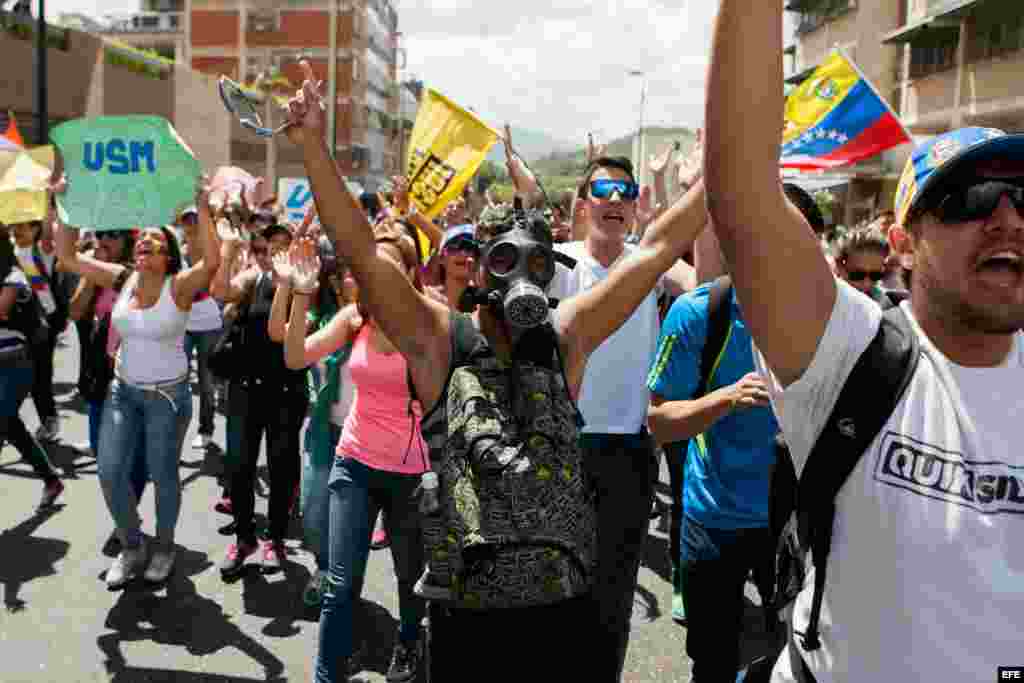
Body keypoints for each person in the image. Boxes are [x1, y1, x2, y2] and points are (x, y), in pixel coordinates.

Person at [281, 59, 711, 682]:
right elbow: (360, 252)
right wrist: (314, 149)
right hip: (468, 619)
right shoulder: (438, 340)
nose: (521, 276)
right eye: (504, 259)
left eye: (537, 263)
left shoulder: (566, 336)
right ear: (479, 268)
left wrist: (727, 162)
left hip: (560, 611)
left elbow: (656, 249)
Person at [704, 2, 1024, 680]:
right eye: (970, 197)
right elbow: (745, 197)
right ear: (903, 246)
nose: (1006, 219)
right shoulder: (851, 349)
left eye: (1023, 200)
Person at [553, 155, 695, 681]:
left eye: (625, 191)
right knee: (554, 586)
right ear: (583, 202)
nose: (614, 200)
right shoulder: (556, 261)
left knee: (611, 596)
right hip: (560, 446)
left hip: (630, 453)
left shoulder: (651, 264)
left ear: (636, 206)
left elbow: (704, 280)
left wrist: (687, 187)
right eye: (603, 190)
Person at [283, 225, 429, 682]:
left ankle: (408, 640)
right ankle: (328, 675)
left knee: (411, 578)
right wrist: (302, 292)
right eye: (371, 263)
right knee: (340, 586)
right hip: (356, 462)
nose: (377, 272)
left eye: (390, 263)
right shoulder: (353, 318)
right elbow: (295, 356)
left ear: (410, 272)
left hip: (413, 472)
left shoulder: (433, 319)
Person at [54, 189, 220, 589]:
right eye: (143, 238)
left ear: (167, 258)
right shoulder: (122, 278)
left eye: (156, 241)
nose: (145, 241)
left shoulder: (179, 287)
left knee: (164, 475)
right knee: (110, 472)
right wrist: (65, 204)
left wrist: (201, 204)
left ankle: (163, 547)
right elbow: (68, 257)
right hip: (122, 392)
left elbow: (212, 261)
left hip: (167, 397)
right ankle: (132, 546)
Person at [212, 222, 307, 577]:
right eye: (271, 247)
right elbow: (221, 290)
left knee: (281, 468)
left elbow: (288, 334)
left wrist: (293, 286)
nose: (277, 254)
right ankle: (244, 537)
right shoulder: (254, 279)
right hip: (245, 389)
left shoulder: (305, 285)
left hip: (285, 393)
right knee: (239, 468)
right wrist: (228, 250)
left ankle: (276, 539)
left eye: (285, 247)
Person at [0, 226, 64, 510]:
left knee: (2, 419)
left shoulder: (14, 277)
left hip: (15, 362)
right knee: (11, 426)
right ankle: (51, 479)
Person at [10, 218, 68, 443]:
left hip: (43, 324)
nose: (17, 230)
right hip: (15, 322)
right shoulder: (8, 251)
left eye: (23, 226)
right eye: (15, 225)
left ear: (36, 229)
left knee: (40, 377)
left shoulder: (43, 252)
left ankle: (49, 420)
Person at [179, 206, 223, 450]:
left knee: (207, 382)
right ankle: (176, 428)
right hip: (181, 323)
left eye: (195, 219)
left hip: (208, 324)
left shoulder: (212, 251)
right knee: (177, 378)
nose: (191, 224)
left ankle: (206, 428)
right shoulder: (176, 253)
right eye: (187, 220)